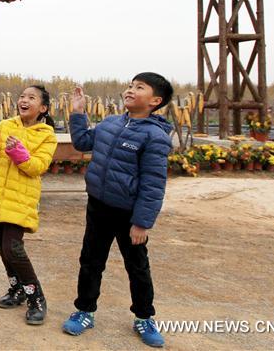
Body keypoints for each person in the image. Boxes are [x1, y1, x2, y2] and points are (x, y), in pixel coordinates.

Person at [61, 73, 174, 348]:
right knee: (90, 261)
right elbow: (83, 143)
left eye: (139, 87)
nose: (130, 90)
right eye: (130, 85)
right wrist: (78, 114)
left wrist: (142, 223)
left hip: (129, 214)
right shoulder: (111, 123)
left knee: (137, 266)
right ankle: (85, 311)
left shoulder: (155, 136)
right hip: (98, 206)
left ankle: (144, 317)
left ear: (155, 101)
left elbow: (153, 184)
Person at [0, 85, 58, 325]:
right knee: (1, 246)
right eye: (22, 96)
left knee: (13, 248)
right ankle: (17, 288)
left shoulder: (46, 135)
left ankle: (36, 298)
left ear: (43, 108)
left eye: (31, 98)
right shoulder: (6, 125)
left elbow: (38, 167)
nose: (24, 100)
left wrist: (21, 155)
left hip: (21, 198)